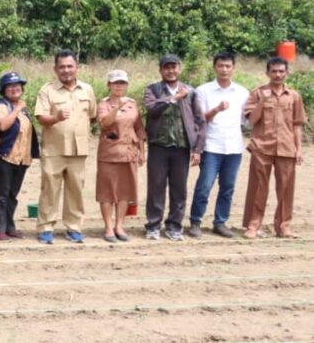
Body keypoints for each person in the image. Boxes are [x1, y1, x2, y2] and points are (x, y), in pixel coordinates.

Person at [34, 49, 97, 244]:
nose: (66, 70)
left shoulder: (87, 90)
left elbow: (92, 116)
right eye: (62, 67)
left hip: (79, 150)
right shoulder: (47, 90)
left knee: (76, 190)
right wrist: (56, 118)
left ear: (77, 68)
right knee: (50, 189)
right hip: (53, 150)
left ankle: (74, 227)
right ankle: (46, 227)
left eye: (70, 66)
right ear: (55, 69)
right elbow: (41, 118)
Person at [142, 54, 205, 241]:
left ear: (180, 68)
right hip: (158, 146)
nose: (171, 71)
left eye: (174, 67)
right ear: (160, 70)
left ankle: (174, 226)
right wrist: (173, 98)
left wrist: (197, 149)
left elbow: (200, 120)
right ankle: (153, 225)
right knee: (156, 187)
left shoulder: (191, 91)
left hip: (181, 147)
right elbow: (151, 109)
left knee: (179, 188)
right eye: (166, 68)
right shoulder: (153, 89)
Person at [243, 57, 307, 239]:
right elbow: (251, 121)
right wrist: (263, 102)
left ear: (287, 73)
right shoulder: (257, 93)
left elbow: (297, 124)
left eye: (281, 71)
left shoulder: (294, 96)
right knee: (258, 187)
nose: (278, 75)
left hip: (287, 148)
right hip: (262, 147)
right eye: (274, 71)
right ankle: (253, 226)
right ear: (267, 73)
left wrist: (299, 149)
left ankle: (284, 226)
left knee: (286, 188)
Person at [187, 52, 250, 239]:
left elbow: (245, 121)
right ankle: (196, 221)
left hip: (234, 147)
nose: (224, 69)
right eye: (221, 66)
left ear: (233, 68)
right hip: (211, 146)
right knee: (204, 186)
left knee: (228, 187)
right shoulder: (203, 90)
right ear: (214, 67)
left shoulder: (242, 92)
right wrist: (216, 109)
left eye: (228, 66)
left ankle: (220, 222)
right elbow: (199, 119)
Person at [95, 70, 145, 243]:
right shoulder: (103, 104)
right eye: (115, 83)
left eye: (122, 83)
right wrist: (116, 107)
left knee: (125, 191)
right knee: (107, 191)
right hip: (109, 153)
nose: (119, 86)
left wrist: (142, 151)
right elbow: (105, 123)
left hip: (128, 152)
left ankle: (119, 226)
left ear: (127, 85)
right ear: (109, 85)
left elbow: (138, 128)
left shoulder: (132, 104)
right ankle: (108, 227)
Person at [0, 71, 39, 241]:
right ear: (3, 90)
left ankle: (10, 226)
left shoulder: (23, 109)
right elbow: (2, 125)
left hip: (22, 159)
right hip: (5, 157)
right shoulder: (2, 105)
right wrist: (17, 108)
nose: (15, 88)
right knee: (1, 195)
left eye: (17, 85)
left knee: (12, 195)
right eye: (10, 86)